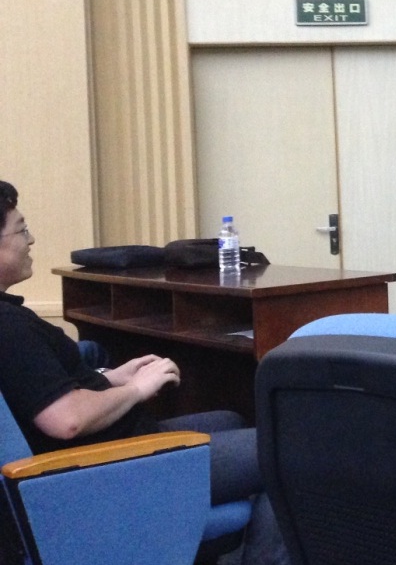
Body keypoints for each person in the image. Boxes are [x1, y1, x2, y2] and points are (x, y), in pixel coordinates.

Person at [0, 180, 288, 565]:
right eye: (21, 230)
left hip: (104, 454)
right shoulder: (9, 327)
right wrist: (136, 388)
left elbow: (35, 390)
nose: (31, 239)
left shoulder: (9, 320)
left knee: (230, 418)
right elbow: (66, 419)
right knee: (286, 450)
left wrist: (109, 379)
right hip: (106, 473)